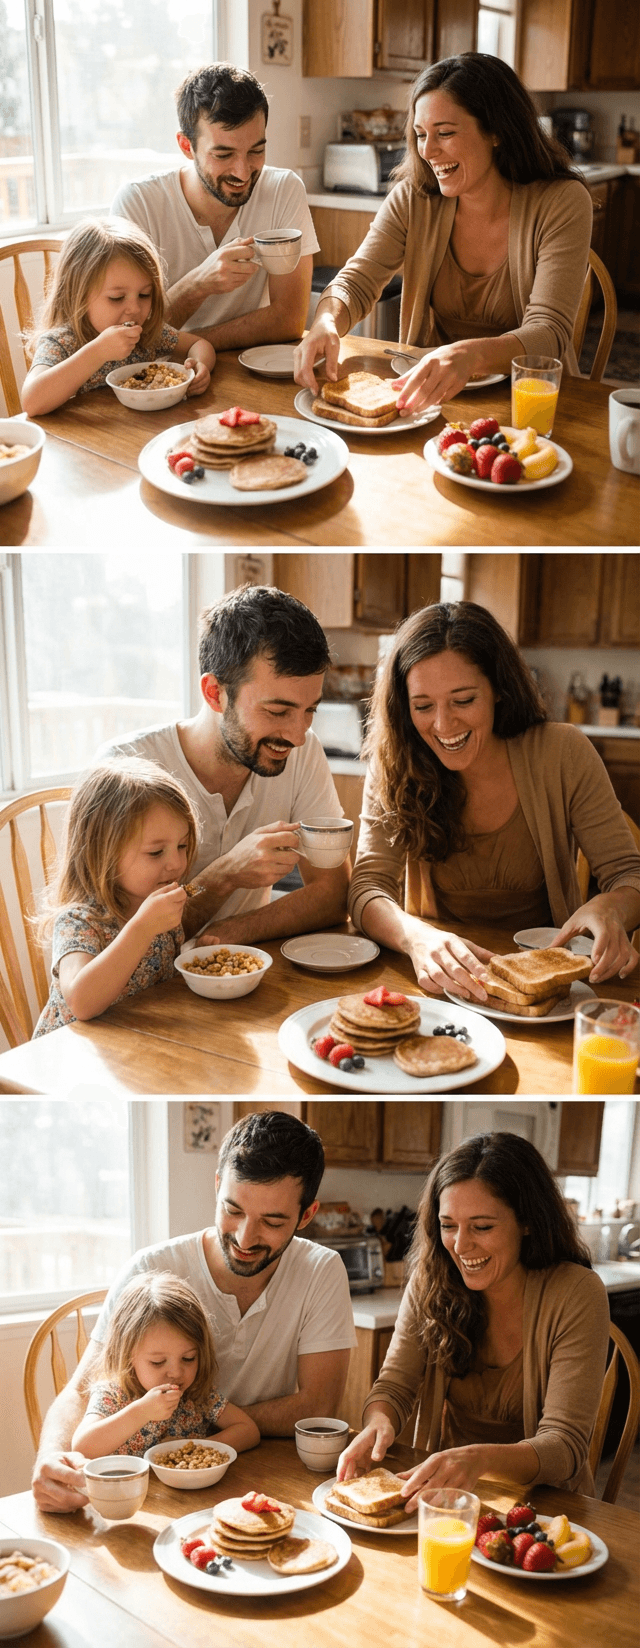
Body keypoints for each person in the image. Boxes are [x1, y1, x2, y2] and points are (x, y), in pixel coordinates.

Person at [32, 1110, 356, 1511]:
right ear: (218, 1185)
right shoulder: (149, 1268)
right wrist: (50, 1457)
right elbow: (82, 1391)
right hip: (150, 1489)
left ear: (306, 1215)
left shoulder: (321, 1271)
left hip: (263, 1474)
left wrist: (198, 1430)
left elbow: (316, 1407)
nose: (244, 1237)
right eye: (233, 1210)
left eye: (271, 1221)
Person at [348, 601, 640, 1003]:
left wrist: (612, 908)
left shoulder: (562, 752)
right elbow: (366, 887)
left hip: (549, 998)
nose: (443, 725)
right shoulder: (394, 762)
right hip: (439, 985)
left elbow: (629, 873)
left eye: (463, 700)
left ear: (499, 690)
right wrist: (416, 937)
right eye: (423, 706)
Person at [294, 53, 592, 413]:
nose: (429, 151)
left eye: (445, 133)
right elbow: (356, 282)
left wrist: (468, 356)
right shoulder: (413, 197)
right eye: (420, 135)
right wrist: (326, 320)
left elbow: (549, 334)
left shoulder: (562, 201)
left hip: (530, 401)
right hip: (431, 399)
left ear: (497, 131)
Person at [337, 1132, 610, 1505]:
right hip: (444, 1497)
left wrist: (477, 1460)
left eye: (482, 1227)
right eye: (449, 1226)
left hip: (545, 1509)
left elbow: (564, 1447)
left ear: (527, 1222)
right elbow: (394, 1387)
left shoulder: (577, 1293)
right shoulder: (431, 1281)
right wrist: (378, 1422)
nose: (461, 1247)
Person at [95, 584, 350, 948]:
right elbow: (108, 941)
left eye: (310, 710)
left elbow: (333, 895)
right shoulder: (126, 768)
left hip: (240, 976)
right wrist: (225, 875)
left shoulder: (303, 752)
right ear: (215, 693)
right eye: (277, 711)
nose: (297, 735)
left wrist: (234, 932)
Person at [111, 63, 318, 350]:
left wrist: (198, 346)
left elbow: (289, 319)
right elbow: (127, 335)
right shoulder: (139, 203)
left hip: (245, 369)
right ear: (186, 146)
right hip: (160, 379)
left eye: (256, 151)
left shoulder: (284, 189)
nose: (243, 172)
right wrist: (198, 284)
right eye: (223, 154)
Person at [32, 759, 198, 1037]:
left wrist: (192, 955)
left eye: (181, 846)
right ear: (102, 854)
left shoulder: (154, 908)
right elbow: (81, 1003)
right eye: (156, 852)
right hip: (69, 1060)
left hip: (130, 1046)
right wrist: (142, 928)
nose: (176, 864)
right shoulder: (79, 921)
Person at [21, 218, 215, 417]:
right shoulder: (62, 342)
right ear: (77, 296)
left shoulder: (146, 333)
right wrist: (97, 352)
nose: (134, 309)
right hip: (83, 440)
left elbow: (199, 344)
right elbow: (32, 401)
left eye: (144, 294)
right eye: (117, 298)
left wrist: (200, 366)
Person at [72, 1272, 259, 1458]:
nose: (176, 1372)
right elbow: (82, 1448)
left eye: (189, 1358)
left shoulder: (197, 1395)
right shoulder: (113, 1395)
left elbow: (248, 1431)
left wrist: (194, 1449)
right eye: (158, 1362)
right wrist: (141, 1412)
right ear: (128, 1356)